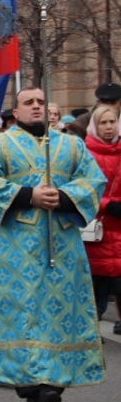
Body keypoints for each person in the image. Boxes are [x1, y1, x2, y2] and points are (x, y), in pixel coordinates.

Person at [0, 87, 106, 402]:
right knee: (21, 313)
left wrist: (65, 196)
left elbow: (94, 180)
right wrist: (27, 195)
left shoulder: (71, 144)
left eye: (41, 102)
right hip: (15, 247)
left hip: (62, 246)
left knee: (58, 315)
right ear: (15, 112)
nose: (36, 107)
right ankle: (29, 380)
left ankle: (54, 381)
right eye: (28, 102)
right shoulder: (0, 143)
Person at [83, 105, 121, 334]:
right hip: (96, 231)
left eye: (112, 122)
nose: (109, 127)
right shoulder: (86, 152)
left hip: (119, 229)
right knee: (96, 291)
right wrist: (107, 204)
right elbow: (83, 189)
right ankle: (89, 337)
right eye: (103, 123)